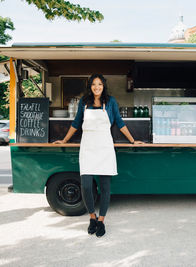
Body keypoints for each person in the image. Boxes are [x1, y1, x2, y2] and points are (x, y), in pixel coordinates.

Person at [53, 74, 143, 237]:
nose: (97, 87)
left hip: (104, 147)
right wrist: (64, 140)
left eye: (99, 84)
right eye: (94, 84)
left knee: (105, 186)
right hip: (88, 147)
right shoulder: (84, 102)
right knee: (86, 185)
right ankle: (92, 218)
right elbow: (76, 123)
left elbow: (120, 123)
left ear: (103, 86)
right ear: (90, 86)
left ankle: (101, 220)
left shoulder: (111, 102)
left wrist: (133, 141)